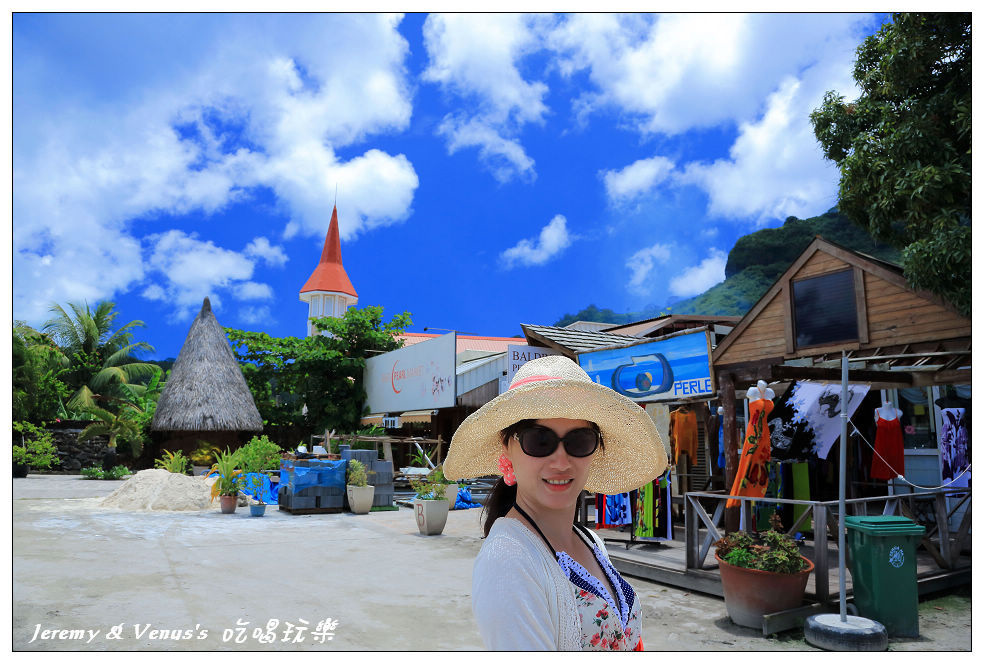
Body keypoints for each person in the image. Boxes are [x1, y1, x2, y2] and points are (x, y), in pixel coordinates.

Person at [444, 355, 667, 650]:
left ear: (595, 450)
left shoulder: (591, 541)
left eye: (579, 441)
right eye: (539, 441)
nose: (561, 462)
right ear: (506, 446)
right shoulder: (508, 559)